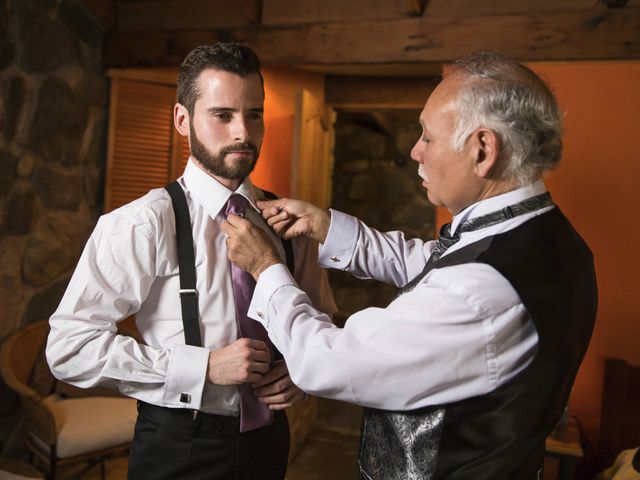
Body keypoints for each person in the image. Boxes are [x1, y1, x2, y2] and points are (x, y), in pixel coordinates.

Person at [221, 51, 597, 479]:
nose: (415, 151)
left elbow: (326, 361)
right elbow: (433, 263)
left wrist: (266, 267)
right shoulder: (543, 235)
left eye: (428, 136)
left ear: (483, 150)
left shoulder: (479, 292)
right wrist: (328, 226)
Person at [46, 42, 335, 480]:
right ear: (183, 120)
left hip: (269, 441)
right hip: (178, 447)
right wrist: (202, 368)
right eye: (223, 115)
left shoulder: (289, 220)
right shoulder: (143, 223)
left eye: (253, 114)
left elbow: (322, 319)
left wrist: (301, 372)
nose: (243, 132)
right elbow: (70, 347)